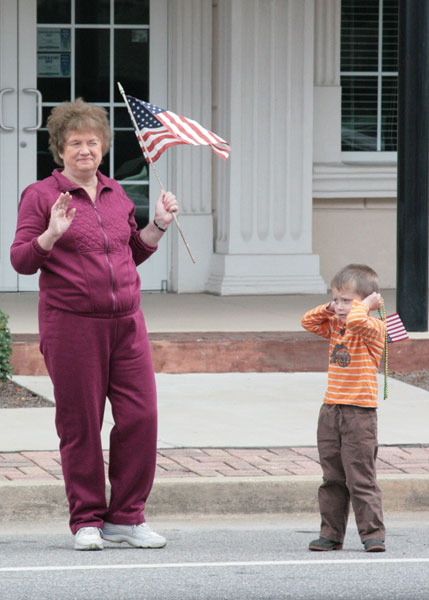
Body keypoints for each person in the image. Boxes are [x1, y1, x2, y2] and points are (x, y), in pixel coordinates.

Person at [10, 98, 178, 551]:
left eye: (92, 142)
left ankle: (126, 517)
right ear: (59, 150)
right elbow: (21, 260)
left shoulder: (117, 192)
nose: (85, 150)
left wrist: (158, 226)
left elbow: (131, 253)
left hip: (127, 323)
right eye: (75, 143)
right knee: (81, 424)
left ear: (104, 146)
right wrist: (51, 234)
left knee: (141, 418)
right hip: (72, 325)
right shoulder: (42, 196)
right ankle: (86, 519)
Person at [301, 264, 387, 553]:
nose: (340, 306)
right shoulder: (337, 326)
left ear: (367, 302)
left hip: (359, 414)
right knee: (332, 477)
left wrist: (363, 307)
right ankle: (331, 534)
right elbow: (308, 322)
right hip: (331, 410)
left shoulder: (374, 328)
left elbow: (359, 323)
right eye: (337, 299)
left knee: (360, 477)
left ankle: (372, 534)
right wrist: (330, 307)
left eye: (346, 300)